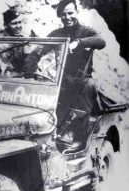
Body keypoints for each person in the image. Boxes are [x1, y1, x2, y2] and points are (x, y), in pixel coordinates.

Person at [40, 0, 106, 149]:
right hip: (61, 81)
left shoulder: (87, 31)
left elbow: (101, 41)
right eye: (63, 14)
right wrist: (28, 70)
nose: (67, 17)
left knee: (87, 86)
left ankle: (78, 138)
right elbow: (38, 51)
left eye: (70, 13)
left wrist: (79, 42)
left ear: (77, 12)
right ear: (59, 16)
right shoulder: (56, 34)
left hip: (81, 81)